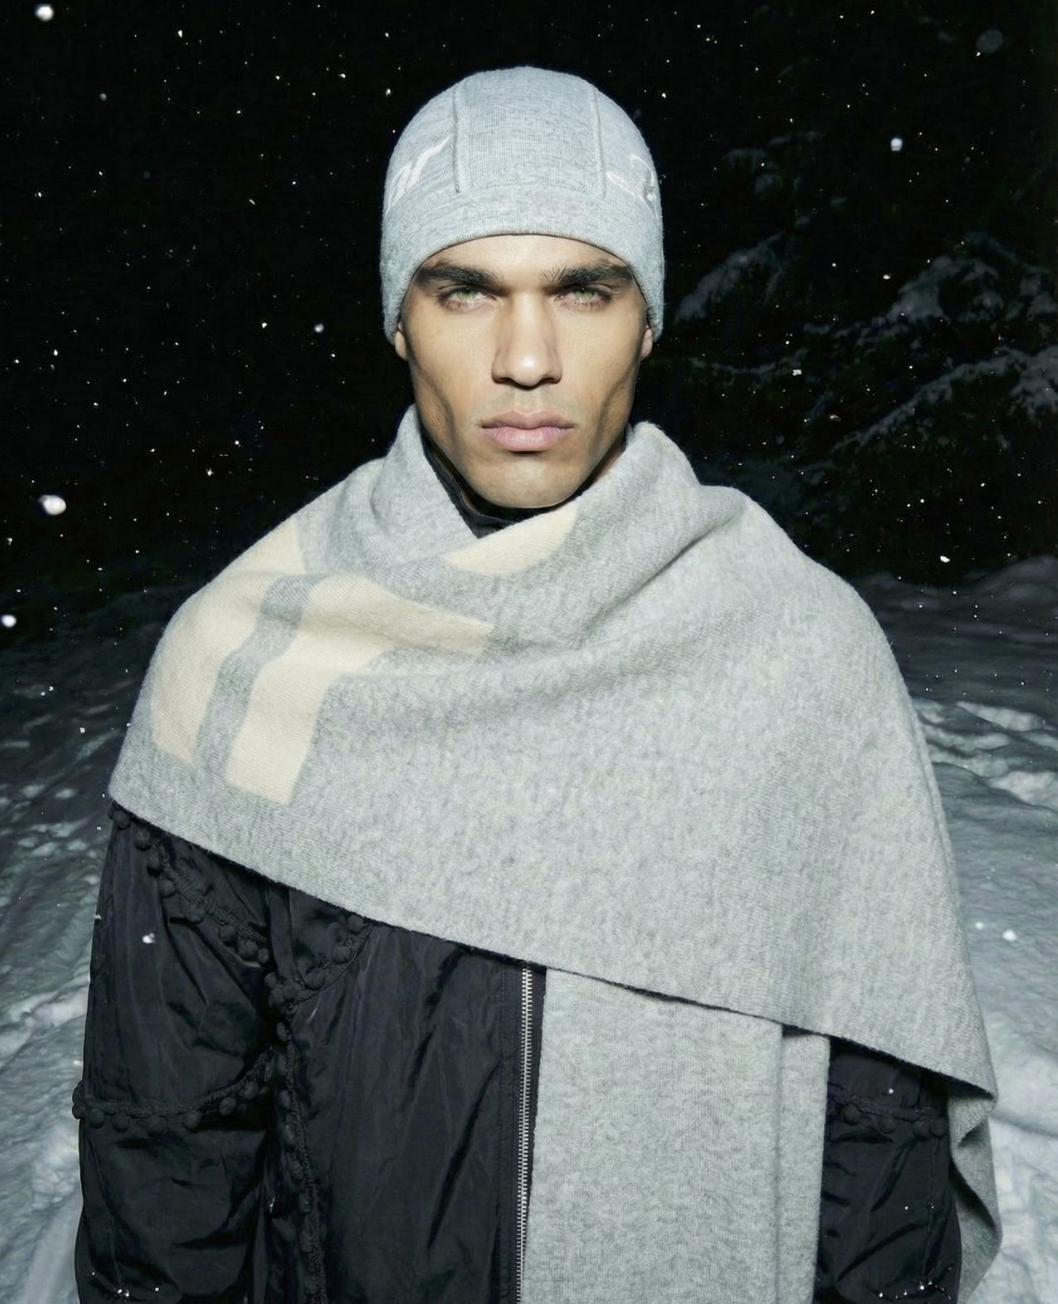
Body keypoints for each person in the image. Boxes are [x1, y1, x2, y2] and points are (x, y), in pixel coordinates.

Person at [74, 66, 1001, 1303]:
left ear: (649, 318)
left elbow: (874, 1125)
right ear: (399, 317)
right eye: (466, 290)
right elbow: (168, 1143)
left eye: (584, 288)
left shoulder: (794, 652)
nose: (526, 356)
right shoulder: (252, 656)